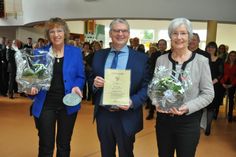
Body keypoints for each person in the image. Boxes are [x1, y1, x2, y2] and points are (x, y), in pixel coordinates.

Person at [152, 18, 214, 157]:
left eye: (183, 33)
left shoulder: (201, 61)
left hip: (189, 122)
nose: (179, 37)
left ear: (189, 36)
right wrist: (156, 100)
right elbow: (156, 87)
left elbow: (208, 94)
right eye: (175, 33)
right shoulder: (161, 60)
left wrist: (187, 107)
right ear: (170, 36)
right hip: (164, 121)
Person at [91, 18, 150, 157]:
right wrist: (94, 84)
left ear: (128, 34)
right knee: (106, 153)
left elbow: (147, 86)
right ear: (110, 34)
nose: (120, 34)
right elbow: (91, 78)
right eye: (116, 30)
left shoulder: (141, 59)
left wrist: (133, 101)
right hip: (104, 115)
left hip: (127, 115)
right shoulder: (99, 56)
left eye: (124, 31)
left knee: (126, 153)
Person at [29, 17, 85, 157]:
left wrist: (77, 86)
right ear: (48, 35)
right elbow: (32, 80)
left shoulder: (75, 52)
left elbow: (80, 76)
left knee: (64, 145)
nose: (56, 34)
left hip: (69, 103)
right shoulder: (39, 53)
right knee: (46, 145)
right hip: (46, 104)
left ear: (65, 33)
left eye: (59, 30)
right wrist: (31, 88)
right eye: (52, 31)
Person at [204, 41, 224, 135]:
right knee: (200, 107)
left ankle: (208, 127)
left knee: (210, 108)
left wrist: (212, 82)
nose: (210, 49)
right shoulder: (203, 59)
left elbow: (221, 74)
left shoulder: (219, 60)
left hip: (214, 86)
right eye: (208, 47)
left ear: (216, 49)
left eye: (212, 47)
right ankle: (198, 126)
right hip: (202, 85)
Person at [220, 50, 236, 122]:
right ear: (229, 56)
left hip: (233, 83)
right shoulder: (225, 64)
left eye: (234, 56)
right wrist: (222, 83)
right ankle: (215, 113)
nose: (232, 57)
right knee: (219, 96)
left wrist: (232, 85)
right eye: (231, 55)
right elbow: (222, 74)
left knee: (231, 99)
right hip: (224, 81)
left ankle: (230, 115)